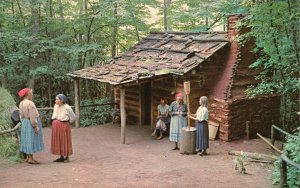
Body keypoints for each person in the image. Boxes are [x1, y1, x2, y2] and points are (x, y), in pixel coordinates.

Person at [18, 88, 44, 164]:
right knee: (31, 139)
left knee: (27, 139)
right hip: (30, 122)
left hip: (25, 122)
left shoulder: (21, 103)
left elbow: (21, 115)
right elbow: (32, 116)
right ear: (27, 94)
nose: (32, 95)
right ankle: (31, 158)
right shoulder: (30, 103)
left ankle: (29, 157)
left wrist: (24, 122)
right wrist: (35, 126)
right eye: (31, 93)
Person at [51, 94, 76, 162]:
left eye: (57, 99)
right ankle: (61, 156)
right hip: (56, 126)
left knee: (65, 140)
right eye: (55, 99)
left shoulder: (67, 107)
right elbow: (54, 115)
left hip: (64, 125)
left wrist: (67, 122)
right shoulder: (55, 106)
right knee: (59, 141)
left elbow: (73, 117)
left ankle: (67, 157)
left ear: (62, 100)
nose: (55, 100)